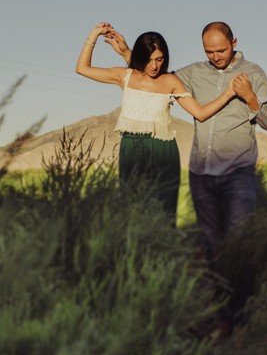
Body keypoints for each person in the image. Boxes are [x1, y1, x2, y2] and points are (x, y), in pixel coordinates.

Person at [105, 21, 267, 332]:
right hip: (201, 173)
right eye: (209, 51)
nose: (215, 56)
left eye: (221, 50)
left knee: (239, 241)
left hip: (237, 172)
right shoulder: (192, 73)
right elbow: (153, 76)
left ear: (234, 42)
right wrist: (125, 53)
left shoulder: (254, 72)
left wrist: (251, 97)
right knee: (212, 247)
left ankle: (243, 317)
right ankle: (223, 314)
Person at [75, 22, 243, 222]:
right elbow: (82, 68)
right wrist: (93, 35)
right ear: (140, 58)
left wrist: (229, 93)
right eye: (149, 60)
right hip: (131, 149)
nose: (154, 66)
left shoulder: (170, 82)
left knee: (164, 213)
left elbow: (200, 113)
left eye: (159, 59)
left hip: (163, 150)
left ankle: (165, 251)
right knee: (132, 211)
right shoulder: (125, 76)